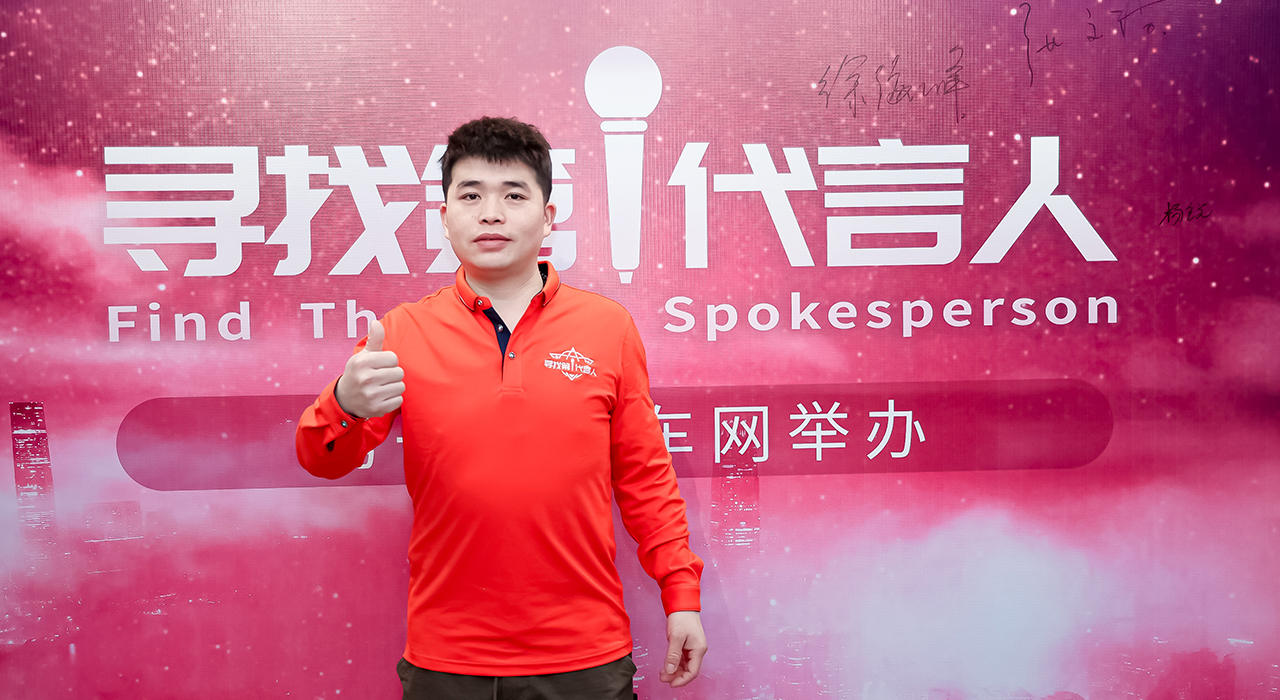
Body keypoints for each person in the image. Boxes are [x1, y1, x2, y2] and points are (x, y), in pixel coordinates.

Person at [296, 116, 707, 699]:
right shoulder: (402, 333)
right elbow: (321, 460)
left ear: (548, 215)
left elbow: (645, 477)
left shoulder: (607, 327)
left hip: (584, 656)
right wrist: (346, 403)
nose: (491, 213)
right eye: (471, 196)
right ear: (445, 217)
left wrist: (681, 595)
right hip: (447, 658)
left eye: (514, 195)